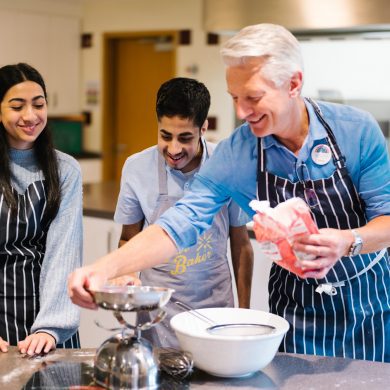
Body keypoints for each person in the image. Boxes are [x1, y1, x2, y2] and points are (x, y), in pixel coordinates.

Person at [68, 24, 390, 362]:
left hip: (369, 302)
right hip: (297, 308)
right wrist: (103, 269)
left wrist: (347, 241)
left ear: (293, 84)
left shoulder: (355, 131)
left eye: (252, 97)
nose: (241, 112)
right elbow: (178, 224)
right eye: (235, 97)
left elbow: (386, 220)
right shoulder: (239, 153)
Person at [113, 77, 253, 348]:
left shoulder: (225, 165)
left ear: (204, 128)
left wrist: (243, 313)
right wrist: (126, 275)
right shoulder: (136, 168)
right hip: (157, 314)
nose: (174, 149)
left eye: (185, 138)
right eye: (165, 136)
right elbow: (128, 239)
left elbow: (241, 244)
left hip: (216, 311)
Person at [0, 63, 82, 355]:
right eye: (17, 106)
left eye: (38, 104)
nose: (30, 116)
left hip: (51, 312)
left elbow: (64, 251)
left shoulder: (65, 170)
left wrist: (52, 326)